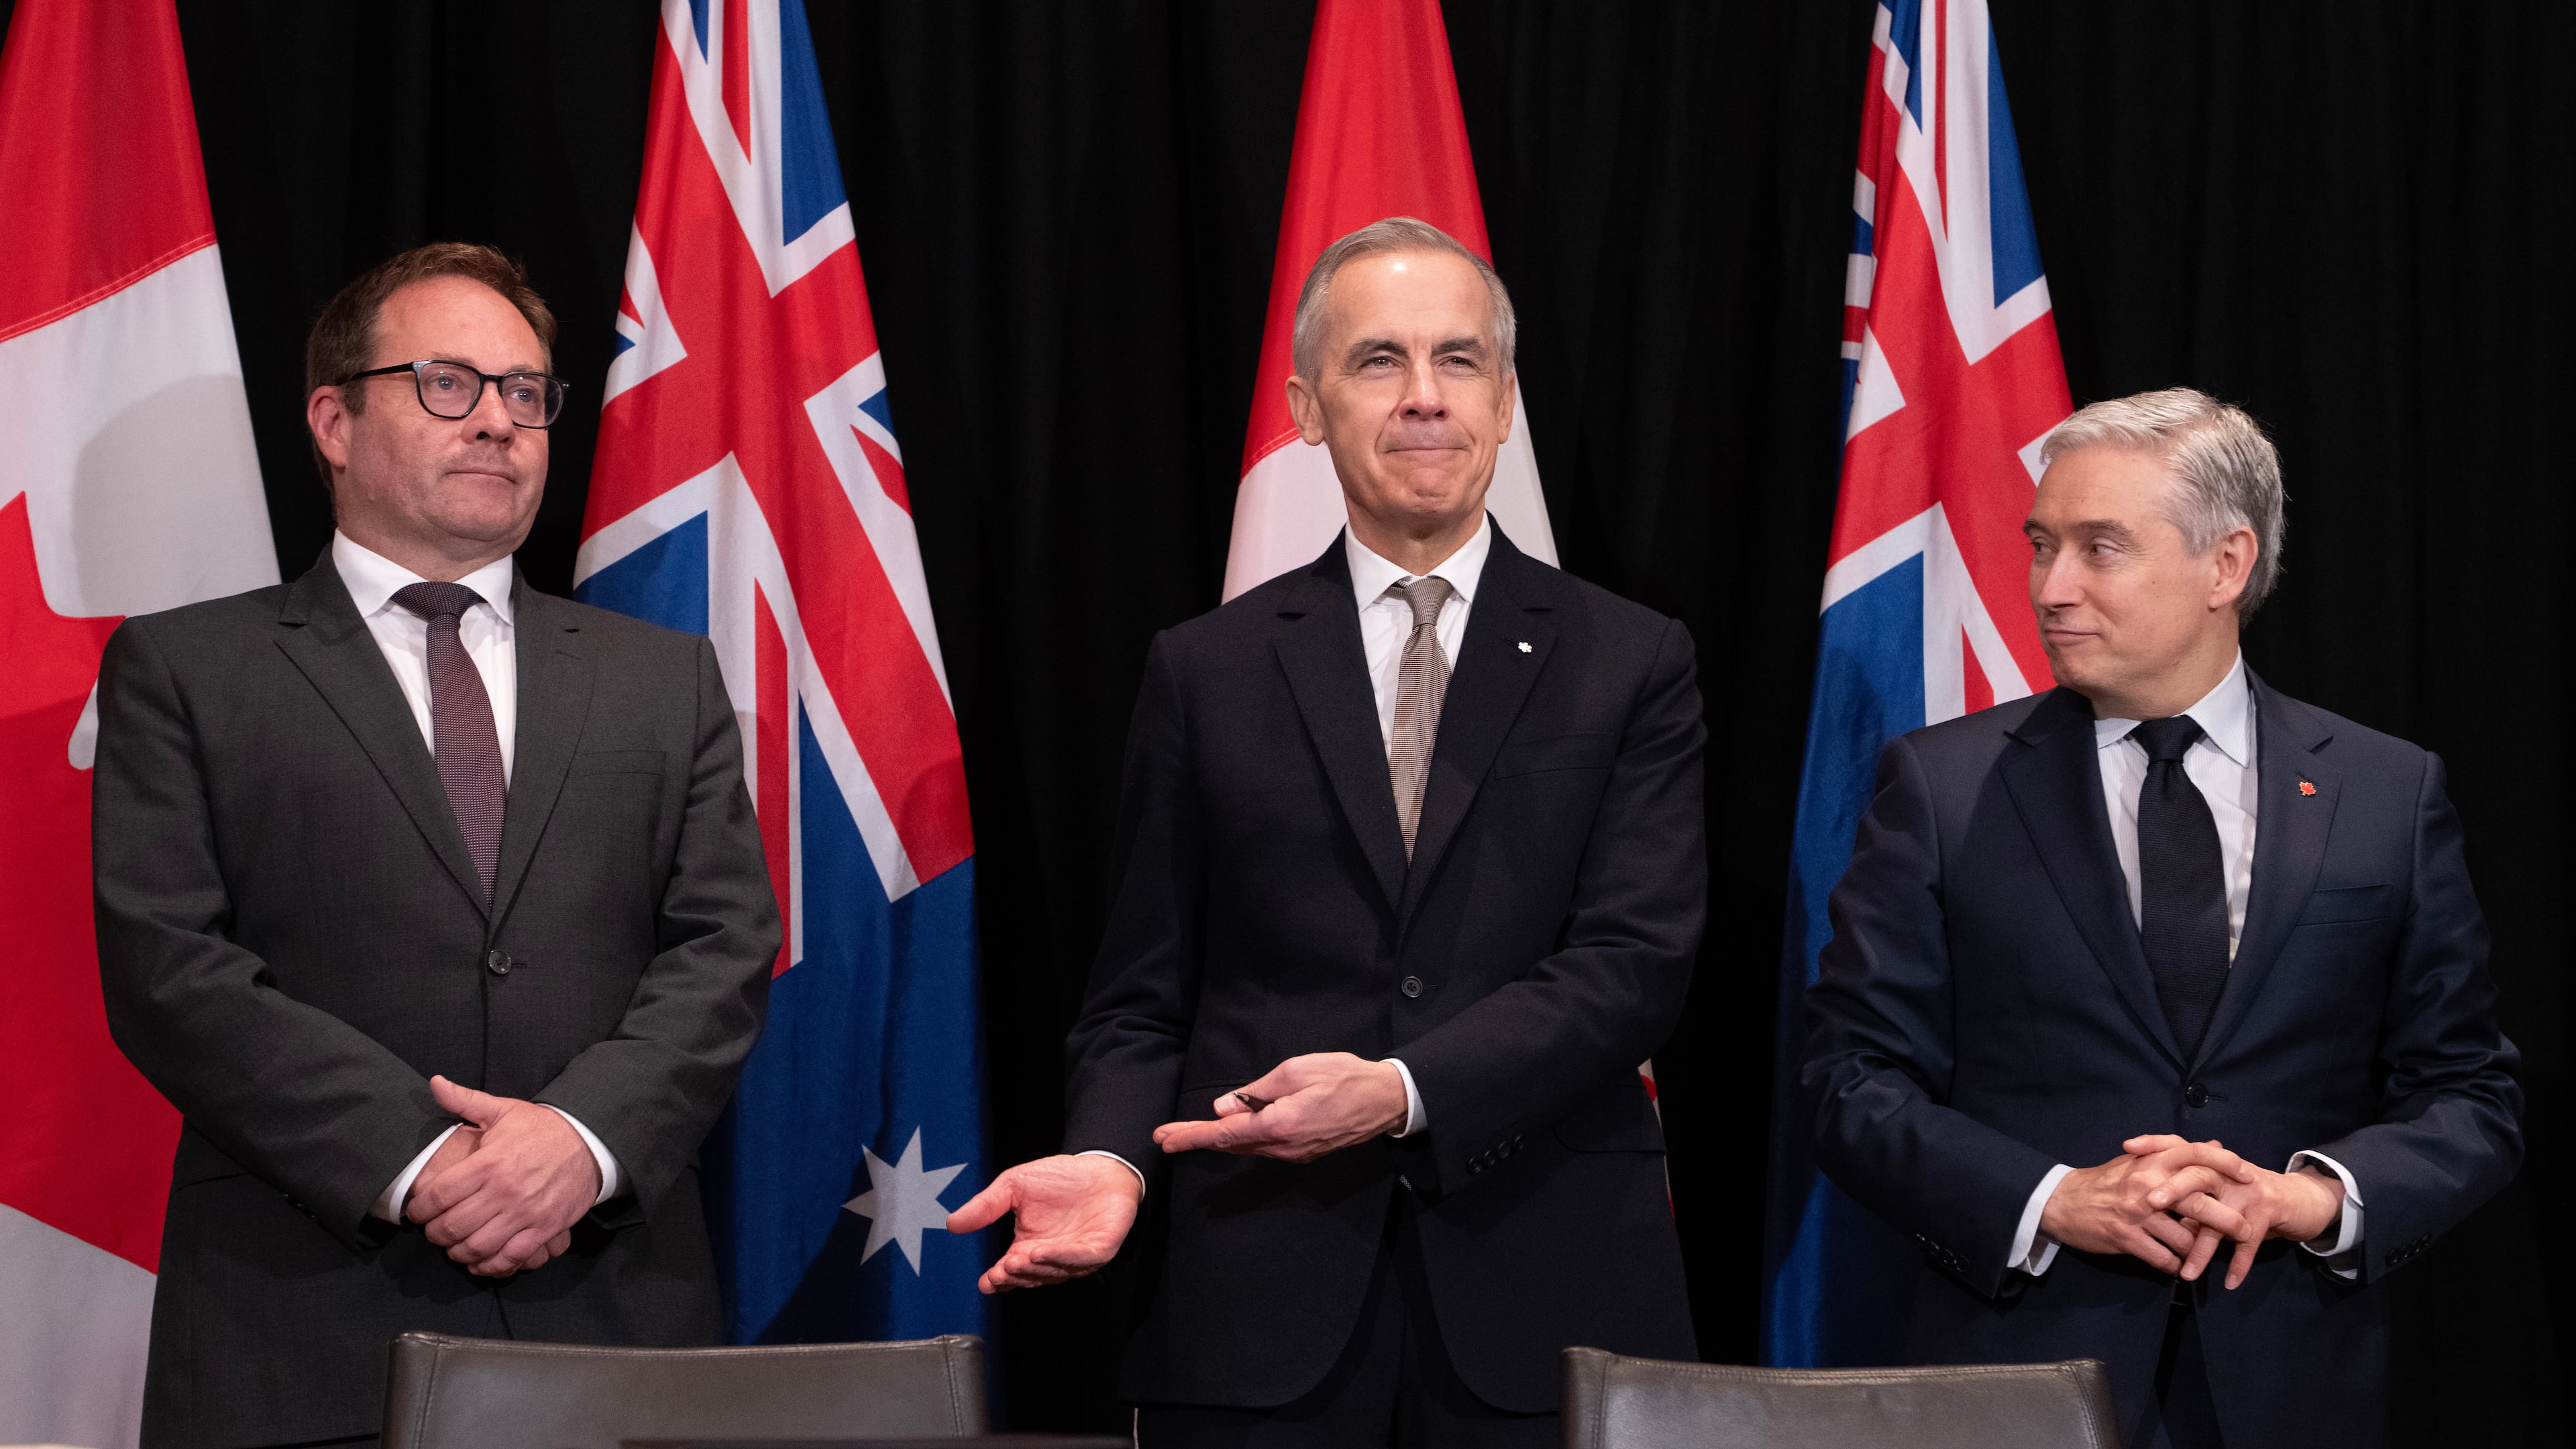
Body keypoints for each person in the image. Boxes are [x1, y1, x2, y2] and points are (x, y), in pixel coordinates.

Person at [947, 217, 1704, 1446]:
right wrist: (1113, 1159)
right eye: (1377, 363)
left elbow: (1636, 967)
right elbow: (1144, 994)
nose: (1424, 400)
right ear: (1306, 407)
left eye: (1460, 362)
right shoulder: (1205, 669)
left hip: (1545, 1301)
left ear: (1505, 403)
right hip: (1257, 1310)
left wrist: (1404, 1091)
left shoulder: (1632, 658)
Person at [93, 244, 781, 1449]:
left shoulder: (661, 679)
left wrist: (579, 1142)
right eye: (449, 383)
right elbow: (171, 971)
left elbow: (724, 949)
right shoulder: (187, 670)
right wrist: (422, 1163)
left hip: (613, 1322)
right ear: (334, 420)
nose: (501, 422)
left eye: (526, 392)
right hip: (305, 1332)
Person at [1802, 387, 2523, 1448]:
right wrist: (2049, 1198)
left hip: (2292, 1379)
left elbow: (2472, 1093)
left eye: (2102, 549)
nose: (2052, 588)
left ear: (2226, 566)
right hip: (2023, 1371)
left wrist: (2311, 1200)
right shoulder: (1943, 787)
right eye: (2043, 545)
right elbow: (1848, 1080)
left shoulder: (2386, 791)